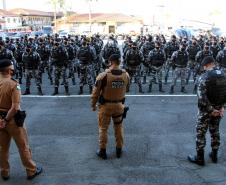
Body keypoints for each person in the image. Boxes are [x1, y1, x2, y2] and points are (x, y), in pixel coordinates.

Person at [0, 59, 42, 180]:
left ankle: (4, 172)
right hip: (12, 120)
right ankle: (31, 170)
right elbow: (15, 107)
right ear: (9, 70)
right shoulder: (13, 84)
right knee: (23, 146)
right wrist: (6, 121)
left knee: (2, 148)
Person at [188, 56, 226, 166]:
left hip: (206, 111)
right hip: (219, 110)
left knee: (201, 133)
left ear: (207, 65)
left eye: (204, 66)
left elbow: (201, 97)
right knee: (215, 131)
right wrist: (222, 107)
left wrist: (211, 109)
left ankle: (200, 159)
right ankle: (214, 156)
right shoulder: (224, 75)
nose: (203, 68)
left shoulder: (204, 77)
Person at [91, 54, 130, 159]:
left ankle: (102, 151)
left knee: (103, 128)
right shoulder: (126, 75)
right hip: (119, 106)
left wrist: (93, 105)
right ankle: (119, 149)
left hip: (106, 107)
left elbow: (95, 93)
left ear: (111, 62)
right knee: (119, 127)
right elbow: (126, 89)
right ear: (119, 62)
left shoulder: (103, 76)